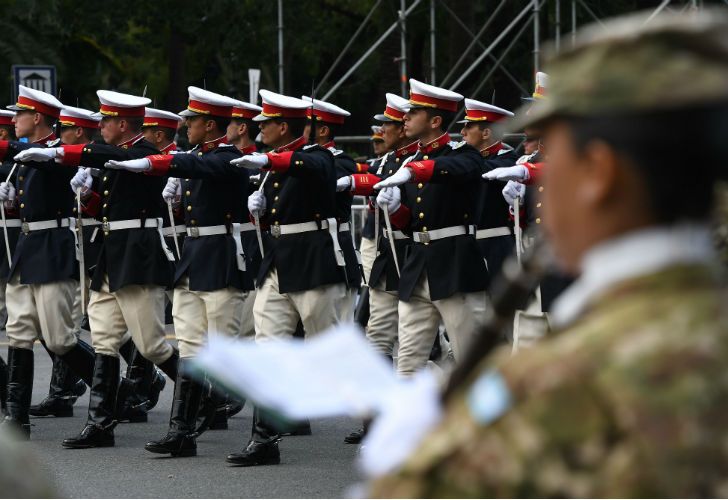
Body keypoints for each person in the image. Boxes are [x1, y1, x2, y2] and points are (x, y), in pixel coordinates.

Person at [368, 9, 728, 497]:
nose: (539, 170)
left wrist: (415, 451)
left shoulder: (556, 383)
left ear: (598, 173)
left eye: (552, 153)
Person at [15, 89, 178, 448]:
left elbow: (104, 156)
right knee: (103, 339)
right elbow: (103, 209)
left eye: (105, 120)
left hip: (137, 256)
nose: (98, 125)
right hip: (109, 256)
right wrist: (88, 196)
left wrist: (61, 152)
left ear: (122, 123)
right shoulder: (115, 156)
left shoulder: (143, 153)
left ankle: (201, 398)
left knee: (151, 344)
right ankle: (101, 425)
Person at [107, 86, 251, 457]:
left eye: (193, 120)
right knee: (188, 348)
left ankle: (262, 424)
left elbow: (201, 166)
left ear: (210, 124)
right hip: (192, 256)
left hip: (219, 255)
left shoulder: (229, 158)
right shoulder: (195, 156)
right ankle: (180, 432)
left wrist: (156, 163)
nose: (185, 125)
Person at [226, 89, 344, 467]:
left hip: (310, 260)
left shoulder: (317, 156)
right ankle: (264, 440)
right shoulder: (272, 166)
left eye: (266, 124)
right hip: (277, 260)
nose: (259, 129)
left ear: (283, 127)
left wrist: (273, 162)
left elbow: (311, 167)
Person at [373, 79, 489, 377]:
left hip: (455, 265)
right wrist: (396, 209)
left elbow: (464, 169)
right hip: (418, 265)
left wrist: (414, 171)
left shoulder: (463, 154)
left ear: (435, 120)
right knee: (407, 366)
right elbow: (413, 223)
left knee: (470, 362)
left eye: (413, 113)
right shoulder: (412, 160)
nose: (405, 118)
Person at [0, 87, 96, 438]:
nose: (13, 120)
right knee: (20, 331)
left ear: (37, 117)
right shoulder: (26, 156)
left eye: (20, 114)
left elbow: (40, 157)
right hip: (27, 245)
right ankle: (17, 417)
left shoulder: (56, 151)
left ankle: (115, 389)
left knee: (58, 337)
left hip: (53, 246)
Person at [458, 99, 518, 285]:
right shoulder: (466, 161)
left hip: (496, 246)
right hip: (468, 246)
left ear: (486, 133)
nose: (462, 132)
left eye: (469, 126)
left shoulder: (508, 160)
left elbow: (480, 169)